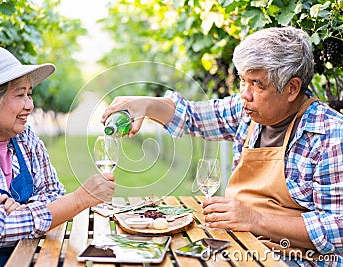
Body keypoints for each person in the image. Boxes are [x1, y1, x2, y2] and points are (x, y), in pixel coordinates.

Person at [102, 26, 343, 266]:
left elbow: (337, 228)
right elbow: (193, 116)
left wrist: (255, 219)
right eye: (242, 81)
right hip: (242, 242)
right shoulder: (247, 113)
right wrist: (145, 105)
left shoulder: (329, 134)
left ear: (291, 88)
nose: (244, 94)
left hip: (294, 258)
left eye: (257, 84)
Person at [0, 45, 116, 266]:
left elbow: (54, 193)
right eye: (20, 95)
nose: (30, 105)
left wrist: (21, 211)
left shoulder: (24, 138)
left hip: (23, 255)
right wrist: (79, 199)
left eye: (29, 93)